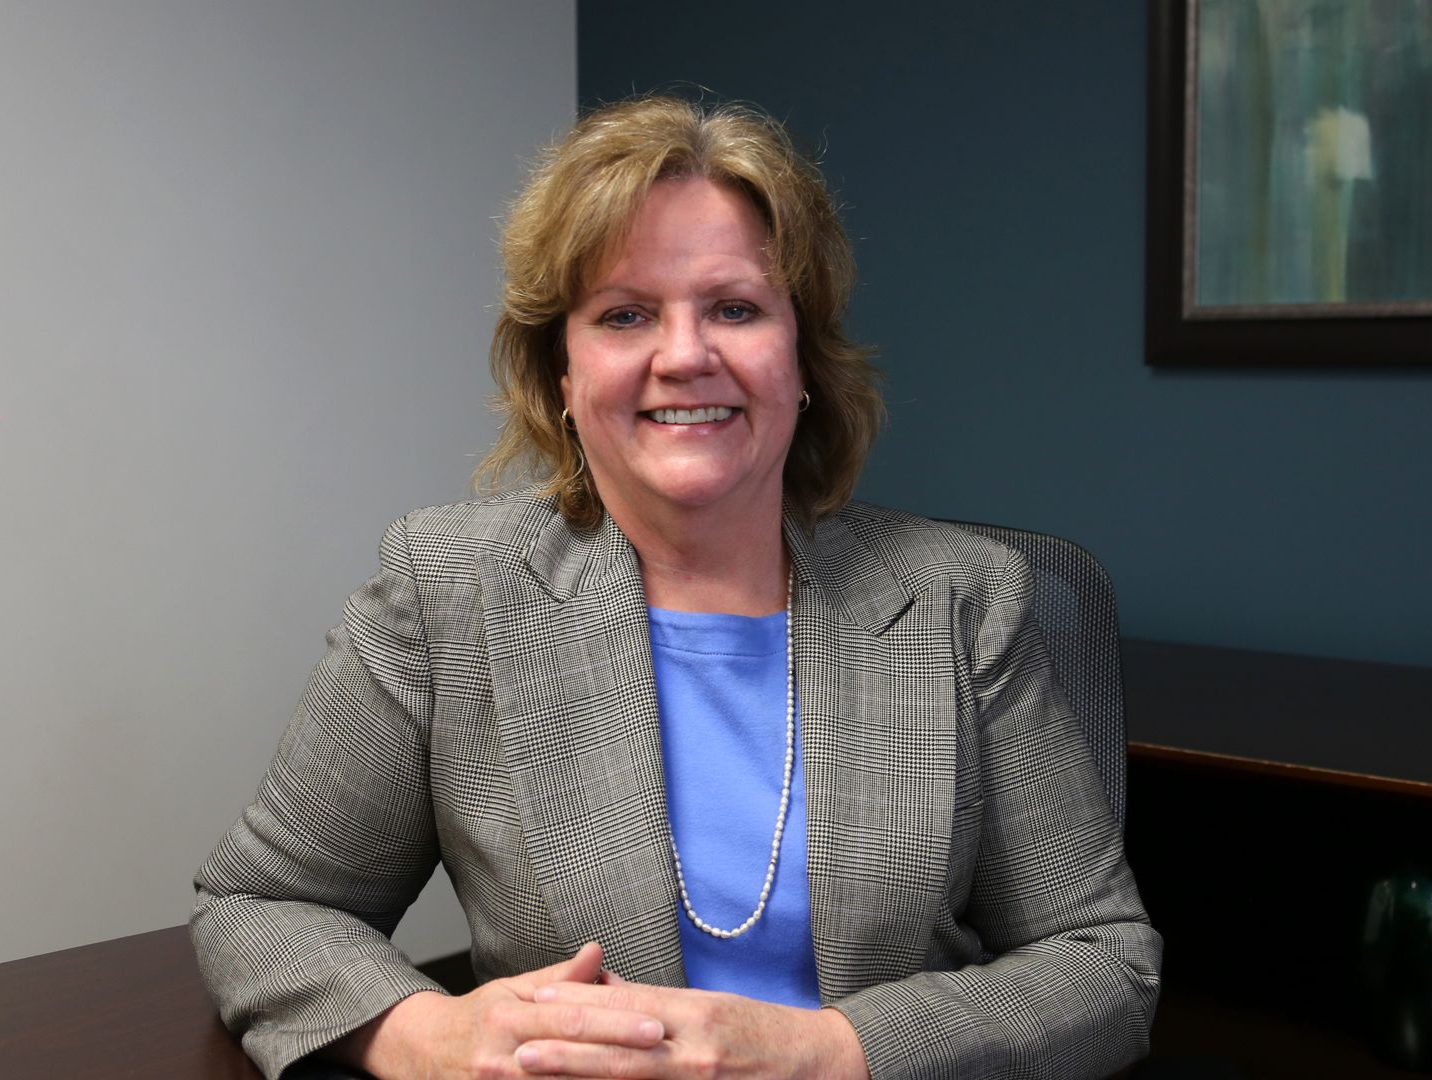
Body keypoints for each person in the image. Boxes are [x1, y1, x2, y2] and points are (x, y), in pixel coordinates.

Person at [192, 95, 1161, 1080]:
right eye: (624, 315)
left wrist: (829, 1052)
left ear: (802, 359)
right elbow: (263, 908)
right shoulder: (448, 593)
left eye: (734, 307)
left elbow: (1102, 964)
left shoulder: (962, 600)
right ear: (562, 375)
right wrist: (433, 1035)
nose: (685, 354)